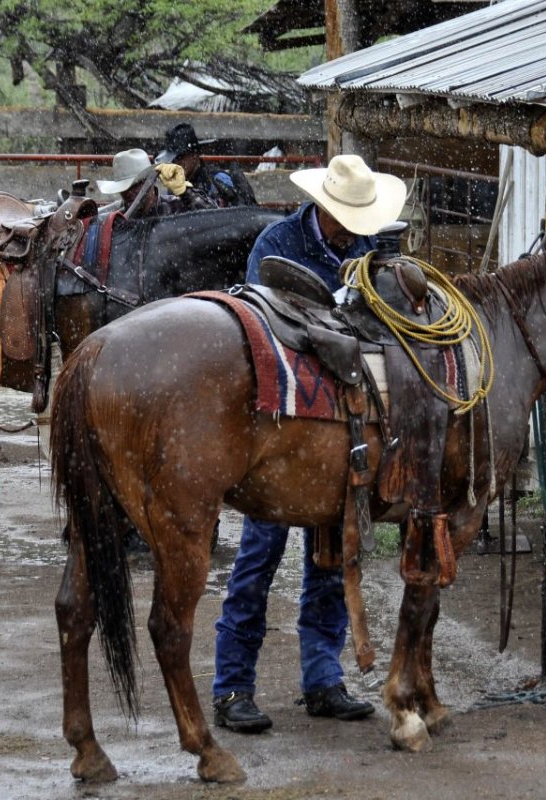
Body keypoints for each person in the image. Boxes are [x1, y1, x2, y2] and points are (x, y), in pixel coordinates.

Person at [212, 154, 407, 733]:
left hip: (340, 425)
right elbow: (259, 323)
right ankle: (232, 688)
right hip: (281, 426)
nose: (353, 226)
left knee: (333, 550)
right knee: (258, 555)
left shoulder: (373, 251)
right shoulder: (276, 244)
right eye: (347, 216)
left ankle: (323, 679)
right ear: (324, 206)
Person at [155, 122, 257, 208]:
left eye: (181, 157)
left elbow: (241, 214)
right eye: (173, 159)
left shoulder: (218, 180)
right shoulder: (172, 188)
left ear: (194, 155)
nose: (176, 163)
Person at [95, 147, 214, 218]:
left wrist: (185, 192)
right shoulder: (116, 217)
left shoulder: (174, 208)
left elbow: (215, 218)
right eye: (123, 189)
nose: (129, 193)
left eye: (135, 185)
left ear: (150, 181)